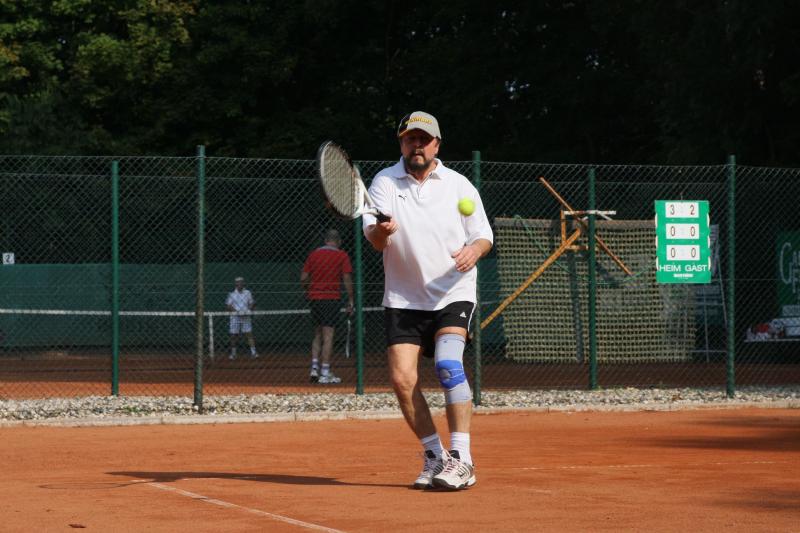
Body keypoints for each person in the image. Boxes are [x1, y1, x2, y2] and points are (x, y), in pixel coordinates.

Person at [363, 111, 493, 491]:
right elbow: (375, 240)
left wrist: (473, 251)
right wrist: (383, 231)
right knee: (402, 379)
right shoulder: (384, 182)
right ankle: (436, 455)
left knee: (448, 365)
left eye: (424, 139)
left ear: (437, 144)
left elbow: (483, 235)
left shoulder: (459, 185)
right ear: (401, 143)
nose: (417, 145)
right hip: (404, 297)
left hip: (453, 291)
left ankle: (462, 460)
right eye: (410, 139)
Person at [301, 229, 354, 384]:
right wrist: (351, 300)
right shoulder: (342, 255)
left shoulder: (313, 255)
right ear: (339, 242)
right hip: (331, 299)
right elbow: (346, 278)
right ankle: (324, 372)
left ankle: (314, 368)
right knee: (328, 335)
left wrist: (309, 290)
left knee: (317, 334)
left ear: (325, 240)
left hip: (315, 299)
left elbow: (303, 278)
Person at [226, 277, 258, 359]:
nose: (239, 284)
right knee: (233, 335)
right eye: (238, 282)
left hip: (246, 316)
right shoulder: (232, 294)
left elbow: (252, 303)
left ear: (243, 283)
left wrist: (247, 311)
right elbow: (229, 306)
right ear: (235, 284)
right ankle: (233, 354)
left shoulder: (248, 292)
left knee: (249, 334)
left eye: (241, 282)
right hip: (235, 317)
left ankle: (254, 353)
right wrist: (238, 312)